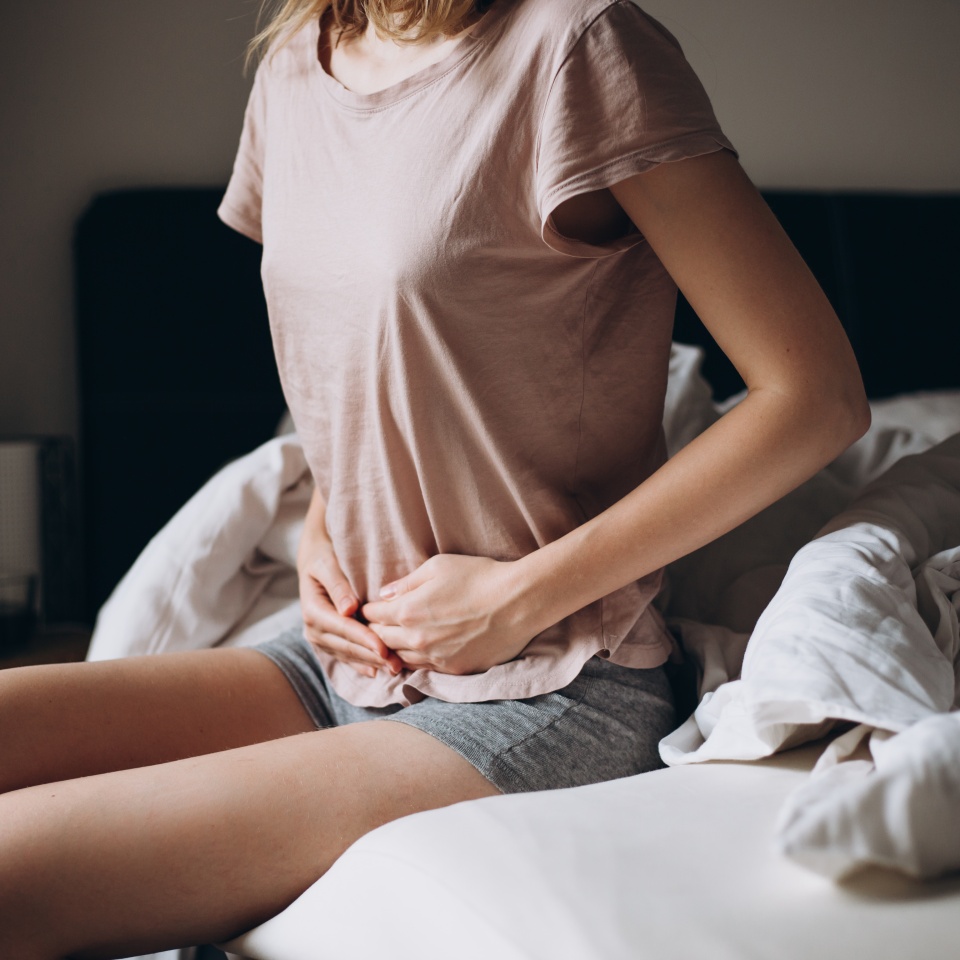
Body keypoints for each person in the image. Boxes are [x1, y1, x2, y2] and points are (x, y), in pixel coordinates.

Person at [0, 0, 870, 955]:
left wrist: (517, 596)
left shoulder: (577, 46)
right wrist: (326, 520)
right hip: (348, 655)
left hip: (550, 686)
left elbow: (816, 396)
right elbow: (368, 357)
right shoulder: (293, 67)